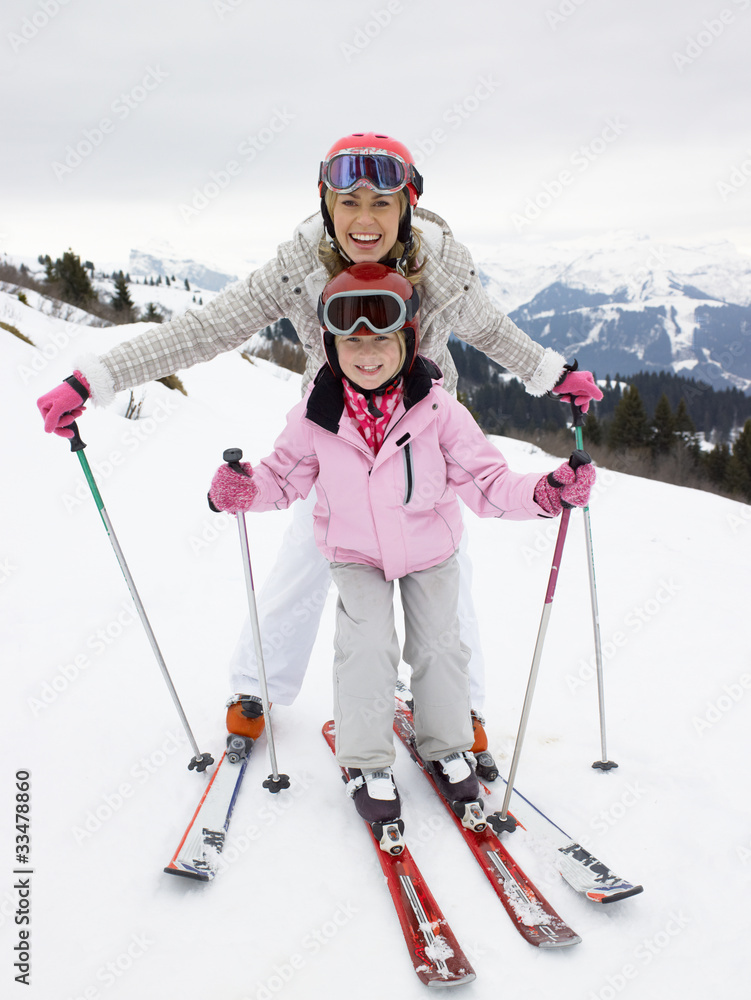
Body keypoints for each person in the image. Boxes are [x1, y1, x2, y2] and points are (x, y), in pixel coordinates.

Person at [36, 131, 602, 770]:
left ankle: (460, 707)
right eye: (349, 201)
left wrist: (554, 374)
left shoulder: (441, 265)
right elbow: (207, 327)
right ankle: (257, 689)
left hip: (422, 429)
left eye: (382, 203)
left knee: (446, 572)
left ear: (407, 206)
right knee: (306, 557)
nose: (365, 219)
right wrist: (94, 378)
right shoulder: (298, 262)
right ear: (327, 204)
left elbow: (492, 330)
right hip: (331, 432)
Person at [206, 262, 595, 835]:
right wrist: (245, 488)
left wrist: (544, 492)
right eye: (351, 341)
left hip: (430, 549)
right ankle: (366, 764)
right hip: (355, 553)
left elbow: (488, 484)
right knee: (365, 648)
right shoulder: (316, 415)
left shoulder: (439, 412)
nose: (367, 354)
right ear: (330, 346)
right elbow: (282, 478)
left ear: (409, 341)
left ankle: (447, 746)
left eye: (381, 340)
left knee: (440, 646)